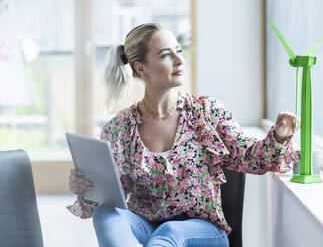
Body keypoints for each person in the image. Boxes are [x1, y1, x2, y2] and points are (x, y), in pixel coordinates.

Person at [67, 23, 301, 247]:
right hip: (149, 229)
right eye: (166, 55)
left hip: (205, 233)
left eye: (178, 51)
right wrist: (88, 188)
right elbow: (109, 199)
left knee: (170, 232)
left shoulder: (206, 112)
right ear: (140, 68)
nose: (180, 60)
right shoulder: (120, 128)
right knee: (106, 216)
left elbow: (251, 157)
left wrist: (279, 136)